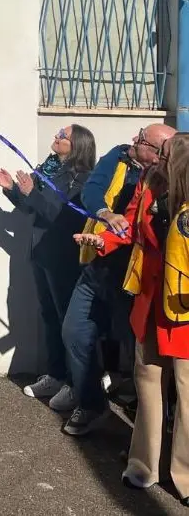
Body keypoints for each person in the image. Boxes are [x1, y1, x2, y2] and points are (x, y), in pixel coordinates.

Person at [74, 132, 189, 502]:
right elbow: (129, 228)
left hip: (184, 308)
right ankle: (143, 466)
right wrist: (103, 240)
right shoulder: (148, 186)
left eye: (162, 152)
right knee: (148, 386)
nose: (153, 157)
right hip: (150, 301)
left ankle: (185, 477)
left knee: (188, 394)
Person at [61, 123, 176, 437]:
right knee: (74, 331)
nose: (133, 141)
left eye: (142, 140)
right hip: (103, 267)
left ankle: (154, 422)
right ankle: (92, 403)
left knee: (142, 354)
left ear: (161, 152)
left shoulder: (174, 185)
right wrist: (104, 231)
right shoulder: (122, 159)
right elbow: (106, 202)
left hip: (143, 283)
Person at [0, 124, 96, 413]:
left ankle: (76, 385)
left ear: (77, 145)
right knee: (49, 317)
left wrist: (31, 193)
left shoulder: (85, 180)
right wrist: (12, 190)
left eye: (62, 136)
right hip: (42, 255)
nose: (56, 138)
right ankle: (56, 374)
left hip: (63, 259)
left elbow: (64, 217)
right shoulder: (54, 171)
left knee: (68, 323)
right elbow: (32, 208)